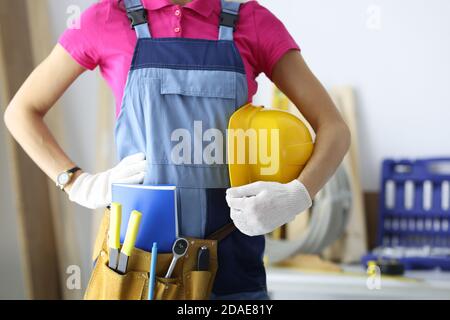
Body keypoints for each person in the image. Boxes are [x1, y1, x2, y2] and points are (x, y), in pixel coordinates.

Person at [4, 0, 350, 300]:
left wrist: (297, 194)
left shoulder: (252, 21)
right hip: (138, 268)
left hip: (233, 269)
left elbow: (333, 128)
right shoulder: (106, 19)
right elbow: (21, 111)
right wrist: (77, 182)